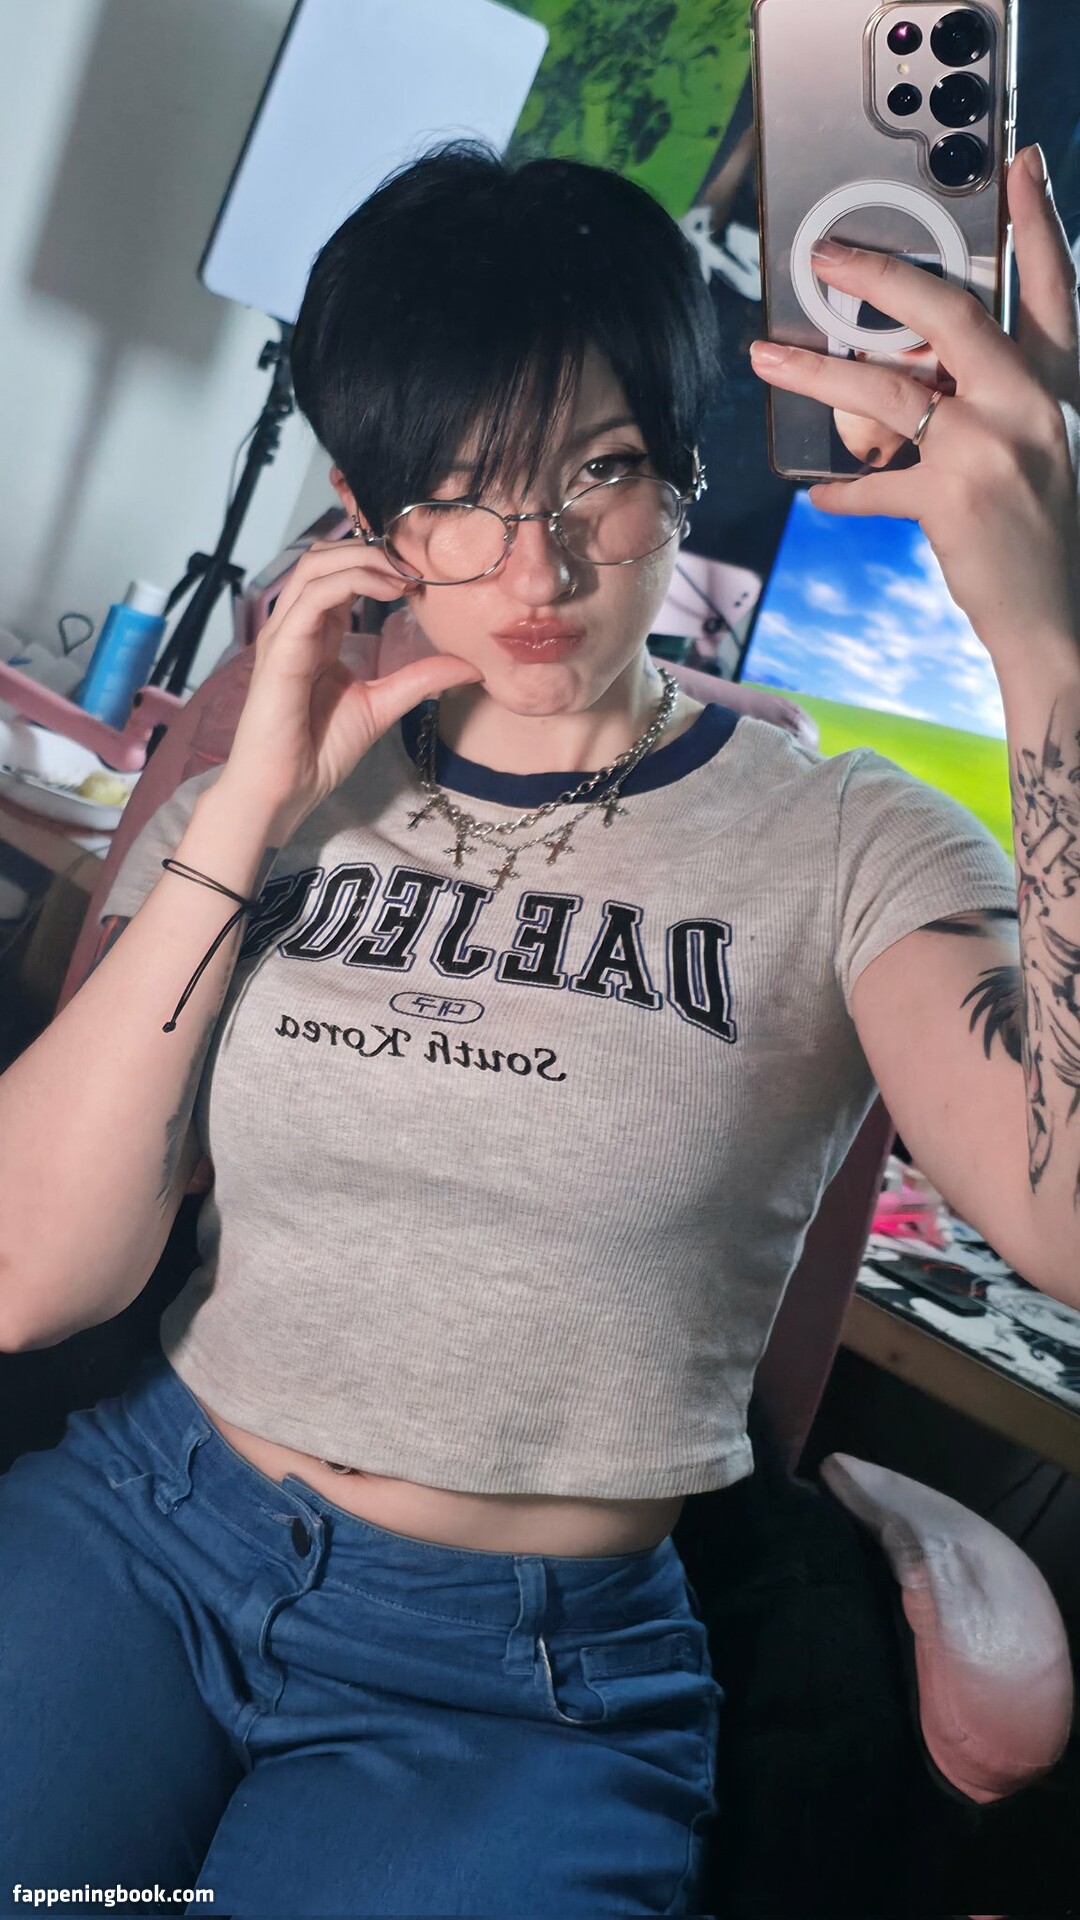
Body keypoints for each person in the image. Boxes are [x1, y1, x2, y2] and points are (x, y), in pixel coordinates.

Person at [0, 136, 1077, 1919]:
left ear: (683, 468)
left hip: (522, 1679)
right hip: (146, 1534)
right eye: (457, 496)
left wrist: (1048, 642)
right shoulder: (260, 810)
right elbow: (27, 1278)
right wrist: (247, 806)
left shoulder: (849, 842)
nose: (537, 567)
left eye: (599, 472)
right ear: (366, 513)